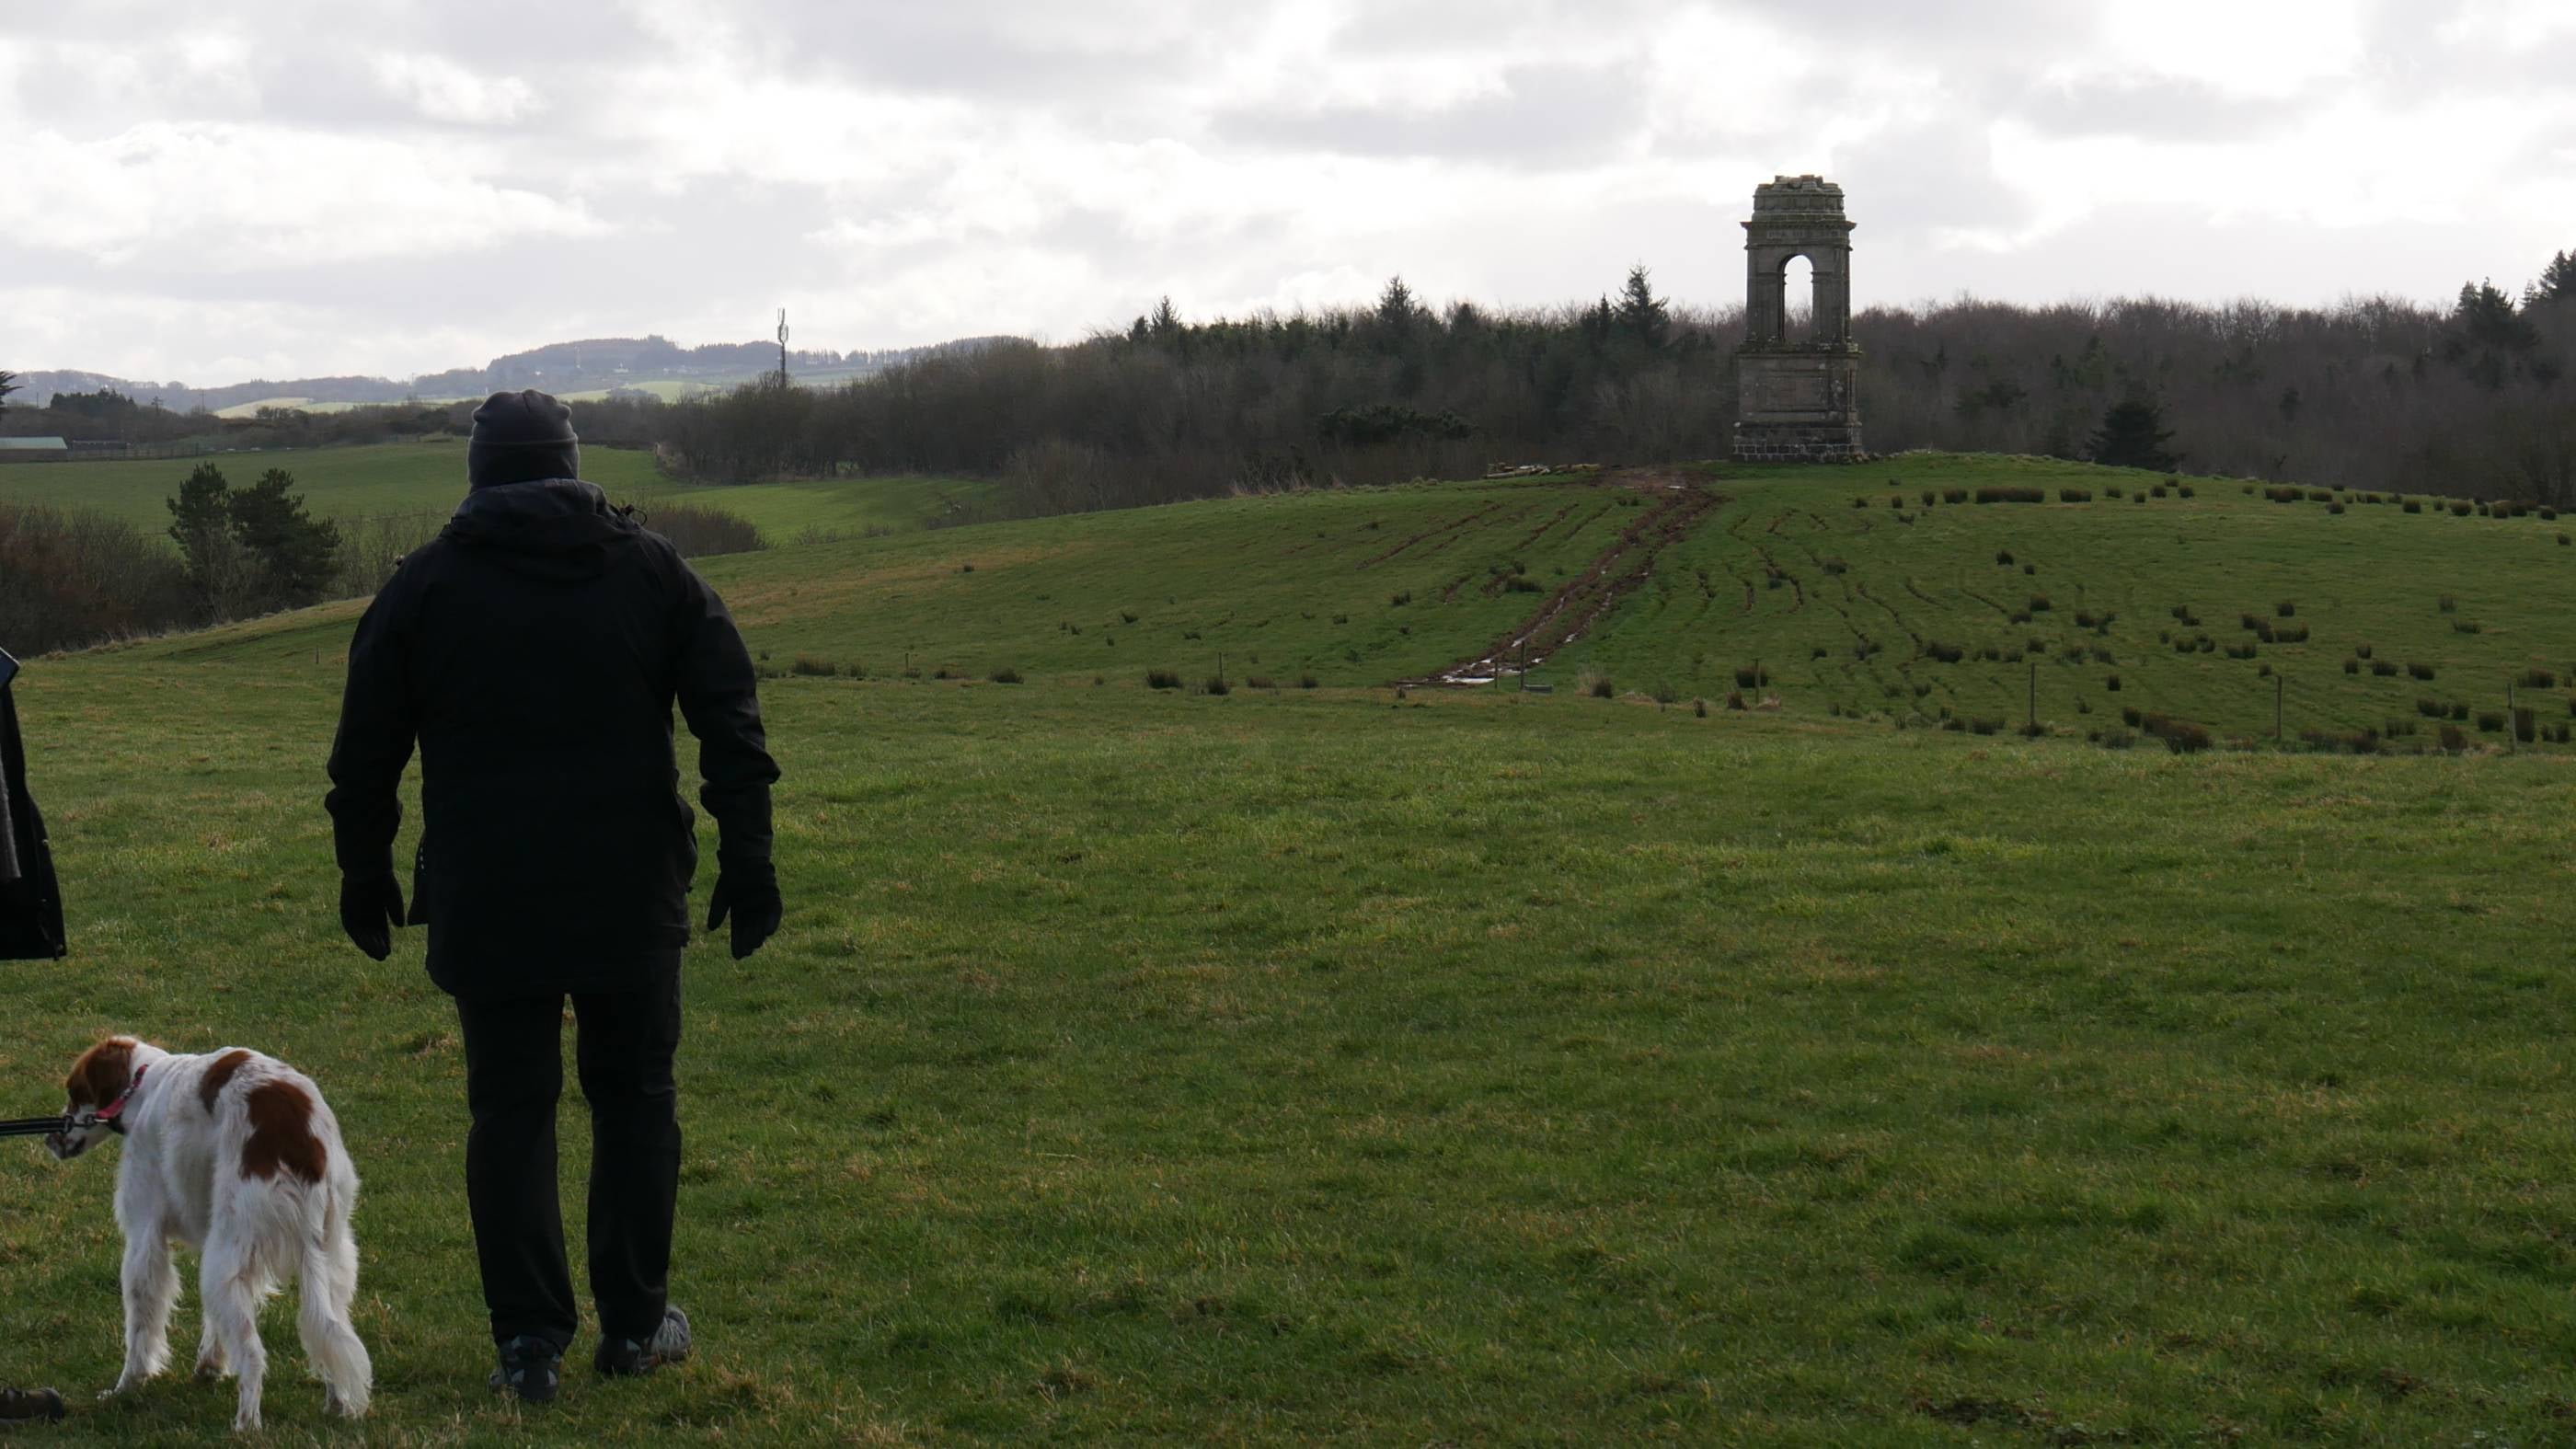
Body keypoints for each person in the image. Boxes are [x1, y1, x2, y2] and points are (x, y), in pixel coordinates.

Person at [325, 390, 782, 1403]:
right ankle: (632, 1326)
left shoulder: (426, 586)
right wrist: (748, 859)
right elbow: (731, 724)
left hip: (491, 891)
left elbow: (364, 756)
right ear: (575, 465)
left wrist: (366, 871)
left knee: (512, 1108)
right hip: (629, 885)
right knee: (634, 1099)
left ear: (479, 472)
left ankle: (528, 1344)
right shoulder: (655, 572)